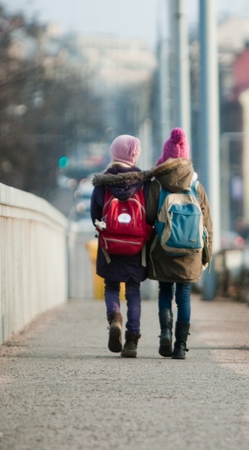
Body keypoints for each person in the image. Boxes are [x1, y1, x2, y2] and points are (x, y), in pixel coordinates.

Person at [145, 128, 213, 359]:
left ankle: (165, 332)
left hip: (164, 247)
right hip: (191, 250)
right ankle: (181, 346)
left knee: (165, 290)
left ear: (165, 157)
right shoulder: (197, 186)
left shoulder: (157, 185)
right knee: (184, 294)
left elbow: (149, 217)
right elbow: (207, 224)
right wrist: (207, 255)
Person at [90, 135, 150, 358]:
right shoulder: (142, 182)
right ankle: (132, 341)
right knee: (133, 291)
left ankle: (114, 318)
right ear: (134, 155)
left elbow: (95, 213)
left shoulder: (103, 182)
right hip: (136, 245)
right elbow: (150, 213)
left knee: (112, 286)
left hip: (110, 245)